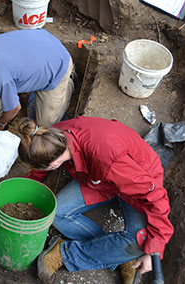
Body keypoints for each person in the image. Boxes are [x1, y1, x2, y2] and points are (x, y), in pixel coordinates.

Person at [17, 117, 173, 283]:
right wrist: (28, 189)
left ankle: (66, 254)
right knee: (56, 213)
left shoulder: (108, 160)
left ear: (54, 164)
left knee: (139, 242)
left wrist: (155, 248)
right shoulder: (51, 136)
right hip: (98, 179)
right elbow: (40, 167)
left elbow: (156, 196)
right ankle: (118, 255)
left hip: (137, 181)